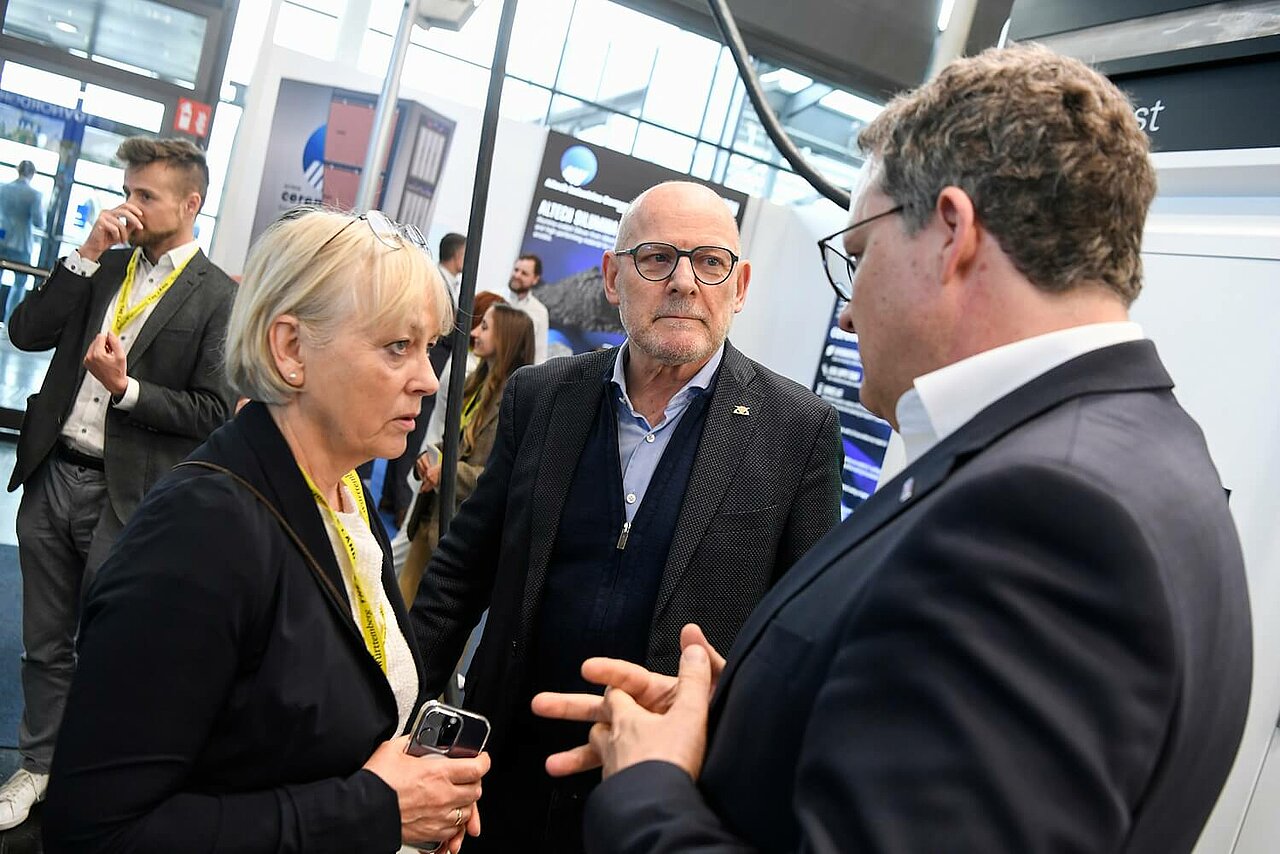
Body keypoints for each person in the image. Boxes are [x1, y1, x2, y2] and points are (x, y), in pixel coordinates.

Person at [532, 44, 1253, 853]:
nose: (845, 315)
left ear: (951, 234)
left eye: (861, 256)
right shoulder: (1129, 456)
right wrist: (743, 724)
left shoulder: (1048, 518)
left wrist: (646, 786)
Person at [410, 180, 843, 853]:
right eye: (657, 258)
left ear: (741, 284)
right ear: (613, 277)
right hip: (501, 783)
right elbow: (459, 577)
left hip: (655, 805)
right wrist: (406, 724)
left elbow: (801, 651)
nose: (683, 283)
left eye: (709, 262)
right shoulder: (541, 396)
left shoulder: (798, 432)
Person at [42, 208, 490, 853]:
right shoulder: (204, 530)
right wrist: (374, 812)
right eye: (398, 346)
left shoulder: (345, 491)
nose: (426, 377)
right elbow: (97, 831)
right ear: (290, 348)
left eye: (430, 348)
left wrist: (415, 796)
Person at [0, 138, 237, 831]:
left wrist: (127, 390)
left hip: (128, 499)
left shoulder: (218, 295)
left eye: (146, 196)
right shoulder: (103, 268)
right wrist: (84, 253)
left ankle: (89, 778)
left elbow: (213, 412)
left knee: (114, 652)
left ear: (191, 204)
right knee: (44, 642)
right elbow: (25, 330)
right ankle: (38, 766)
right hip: (53, 476)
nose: (128, 206)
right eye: (128, 191)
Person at [400, 302, 534, 602]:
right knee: (402, 610)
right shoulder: (475, 384)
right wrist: (431, 456)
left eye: (484, 327)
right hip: (431, 518)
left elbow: (502, 478)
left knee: (433, 629)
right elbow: (456, 442)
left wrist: (447, 473)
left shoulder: (514, 404)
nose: (474, 333)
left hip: (460, 533)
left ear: (507, 338)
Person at [381, 231, 468, 522]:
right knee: (410, 432)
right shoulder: (438, 286)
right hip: (440, 368)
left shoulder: (441, 284)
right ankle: (399, 500)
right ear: (457, 256)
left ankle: (391, 499)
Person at [485, 252, 548, 364]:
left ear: (535, 279)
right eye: (516, 270)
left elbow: (539, 353)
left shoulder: (540, 312)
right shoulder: (491, 297)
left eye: (524, 273)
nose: (517, 275)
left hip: (515, 373)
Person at [0, 160, 44, 322]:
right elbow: (39, 221)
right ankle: (9, 321)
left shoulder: (3, 188)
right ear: (32, 174)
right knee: (19, 283)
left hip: (1, 236)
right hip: (21, 242)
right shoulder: (34, 195)